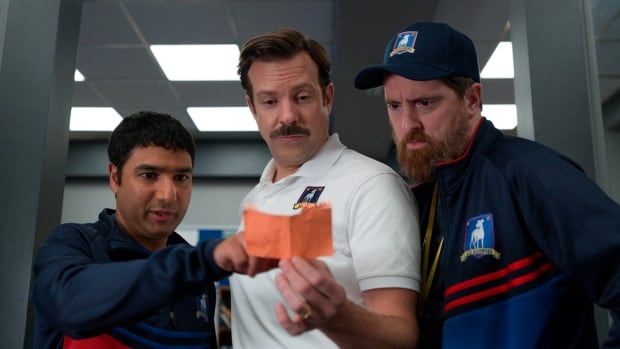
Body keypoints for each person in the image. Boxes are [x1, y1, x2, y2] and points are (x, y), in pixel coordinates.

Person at [354, 21, 620, 348]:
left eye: (425, 103)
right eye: (395, 106)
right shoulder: (418, 203)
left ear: (472, 99)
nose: (408, 124)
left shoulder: (530, 175)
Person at [230, 29, 421, 348]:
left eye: (302, 97)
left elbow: (402, 336)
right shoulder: (255, 198)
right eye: (270, 101)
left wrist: (340, 317)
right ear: (253, 108)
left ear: (327, 98)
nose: (287, 115)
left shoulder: (371, 186)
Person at [32, 111, 277, 348]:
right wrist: (204, 260)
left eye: (181, 178)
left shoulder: (196, 272)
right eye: (149, 175)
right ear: (115, 178)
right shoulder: (75, 244)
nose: (168, 195)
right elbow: (69, 304)